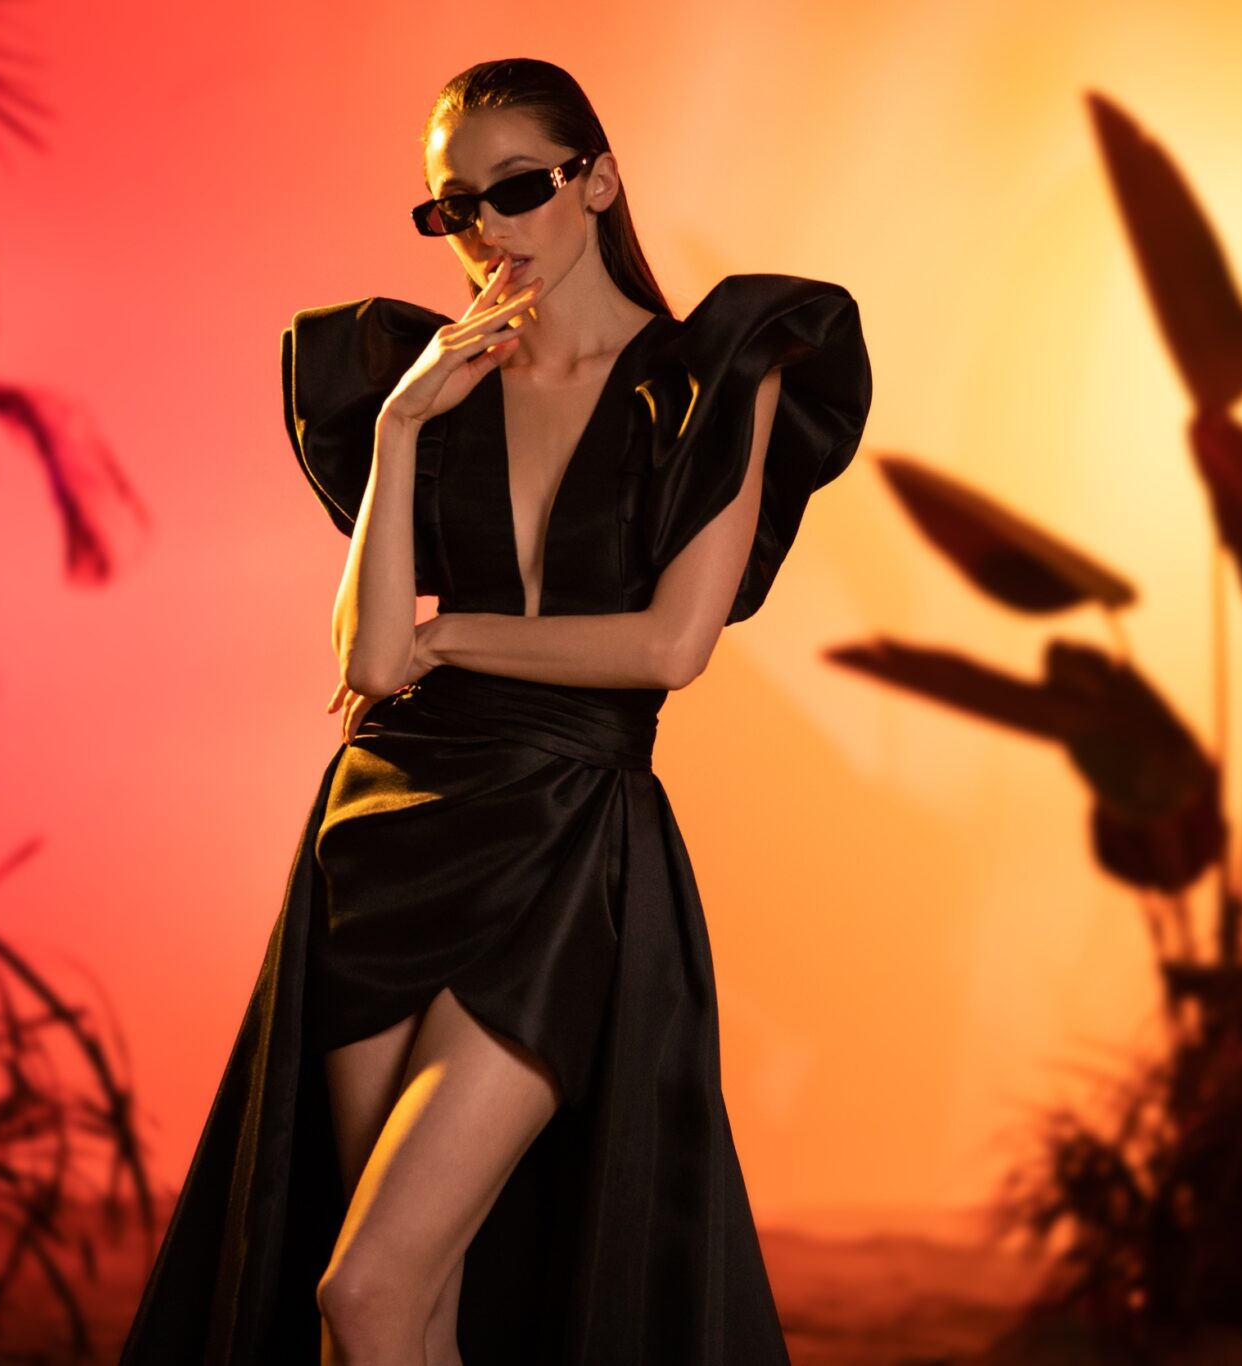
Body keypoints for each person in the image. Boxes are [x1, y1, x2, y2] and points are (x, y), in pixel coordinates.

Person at [118, 57, 870, 1365]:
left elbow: (671, 646)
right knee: (404, 1310)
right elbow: (370, 656)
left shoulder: (711, 379)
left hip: (566, 845)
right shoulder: (428, 384)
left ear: (599, 180)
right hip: (385, 837)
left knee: (364, 1289)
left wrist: (454, 632)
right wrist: (404, 424)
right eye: (451, 207)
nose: (483, 229)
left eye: (515, 189)